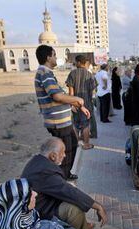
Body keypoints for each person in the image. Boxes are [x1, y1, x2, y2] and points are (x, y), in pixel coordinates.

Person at [21, 137, 108, 229]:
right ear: (53, 156)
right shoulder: (45, 172)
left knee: (75, 199)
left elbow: (63, 188)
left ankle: (82, 227)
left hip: (43, 205)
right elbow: (69, 192)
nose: (65, 155)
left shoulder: (37, 161)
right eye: (62, 152)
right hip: (40, 213)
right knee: (74, 210)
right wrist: (98, 206)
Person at [34, 45, 89, 181]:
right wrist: (77, 99)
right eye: (54, 55)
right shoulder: (44, 73)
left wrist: (76, 105)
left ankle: (65, 174)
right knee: (64, 153)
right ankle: (60, 181)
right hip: (57, 123)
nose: (56, 58)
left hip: (63, 122)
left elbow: (61, 95)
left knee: (73, 146)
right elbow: (57, 96)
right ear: (48, 57)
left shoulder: (47, 73)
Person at [66, 55, 97, 150]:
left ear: (79, 62)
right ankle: (86, 144)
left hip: (75, 103)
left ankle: (77, 143)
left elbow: (71, 92)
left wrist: (71, 104)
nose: (75, 64)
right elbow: (93, 91)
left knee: (75, 123)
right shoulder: (90, 74)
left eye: (76, 62)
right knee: (86, 124)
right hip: (87, 104)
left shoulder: (72, 73)